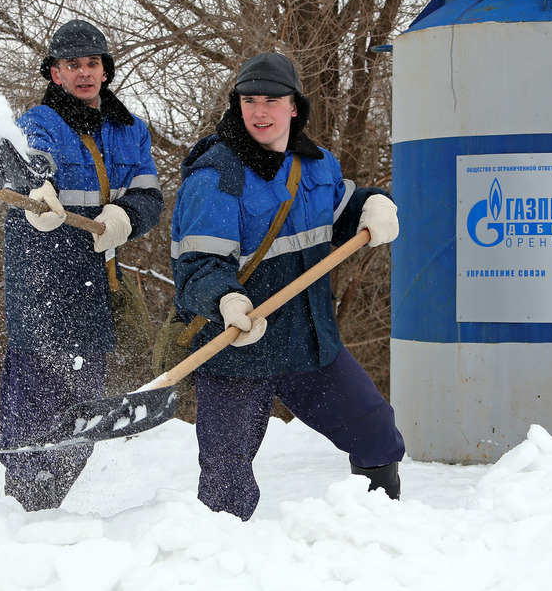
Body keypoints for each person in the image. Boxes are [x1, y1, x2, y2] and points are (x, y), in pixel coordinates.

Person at [170, 51, 405, 520]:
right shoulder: (217, 177)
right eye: (250, 100)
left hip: (308, 343)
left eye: (272, 100)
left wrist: (372, 205)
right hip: (237, 348)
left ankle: (380, 536)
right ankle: (214, 564)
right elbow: (197, 265)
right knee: (225, 483)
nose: (260, 111)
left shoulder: (317, 167)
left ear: (294, 106)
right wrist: (226, 300)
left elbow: (338, 218)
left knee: (376, 433)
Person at [0, 19, 162, 511]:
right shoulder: (37, 125)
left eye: (92, 64)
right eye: (73, 65)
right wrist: (39, 197)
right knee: (35, 387)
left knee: (85, 395)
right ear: (55, 74)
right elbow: (30, 173)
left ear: (105, 72)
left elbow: (148, 193)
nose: (84, 73)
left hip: (97, 278)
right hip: (41, 278)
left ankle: (52, 494)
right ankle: (23, 497)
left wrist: (125, 217)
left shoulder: (129, 131)